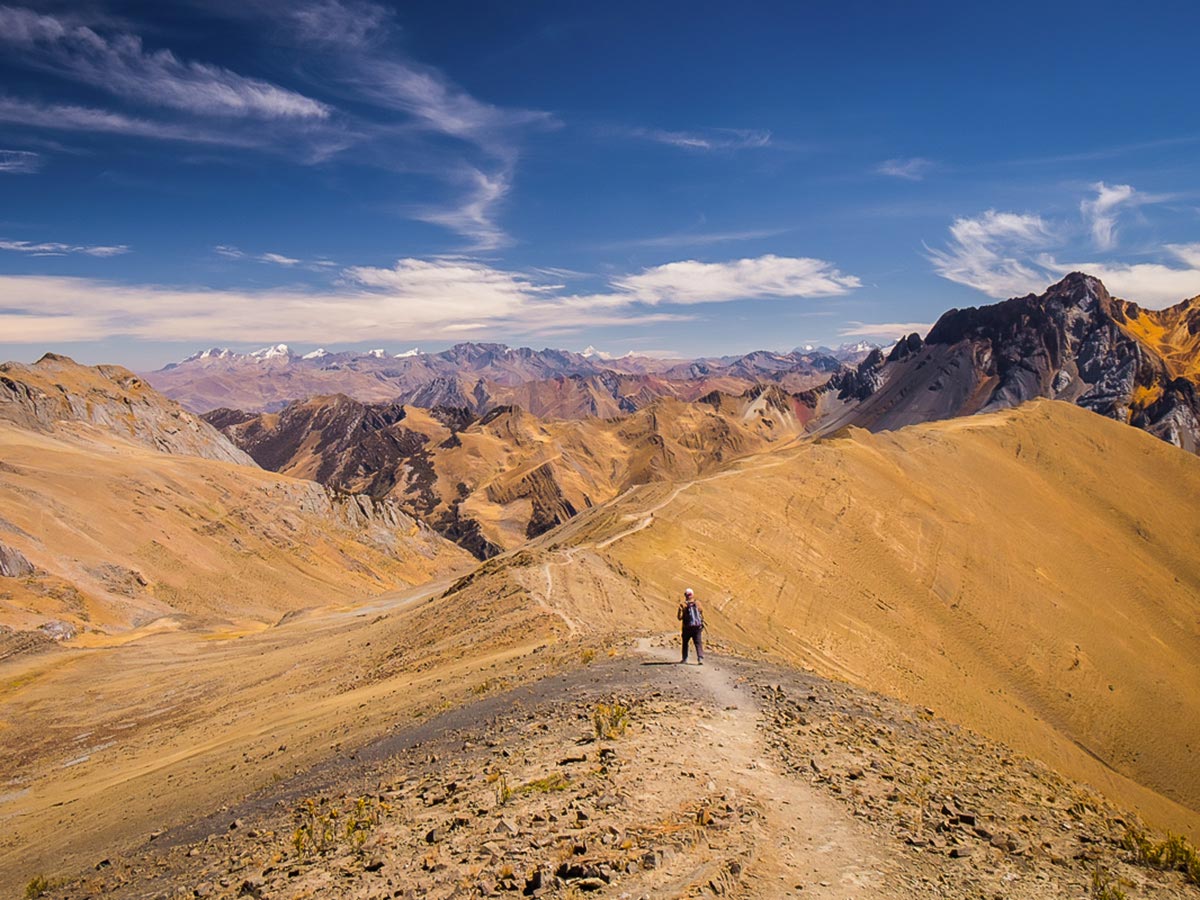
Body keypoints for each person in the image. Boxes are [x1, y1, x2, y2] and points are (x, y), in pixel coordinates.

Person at [677, 587, 704, 664]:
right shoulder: (698, 603)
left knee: (685, 643)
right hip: (697, 627)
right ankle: (700, 658)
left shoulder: (683, 605)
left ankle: (685, 659)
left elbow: (679, 617)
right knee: (698, 642)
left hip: (687, 627)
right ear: (692, 595)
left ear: (685, 595)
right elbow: (701, 612)